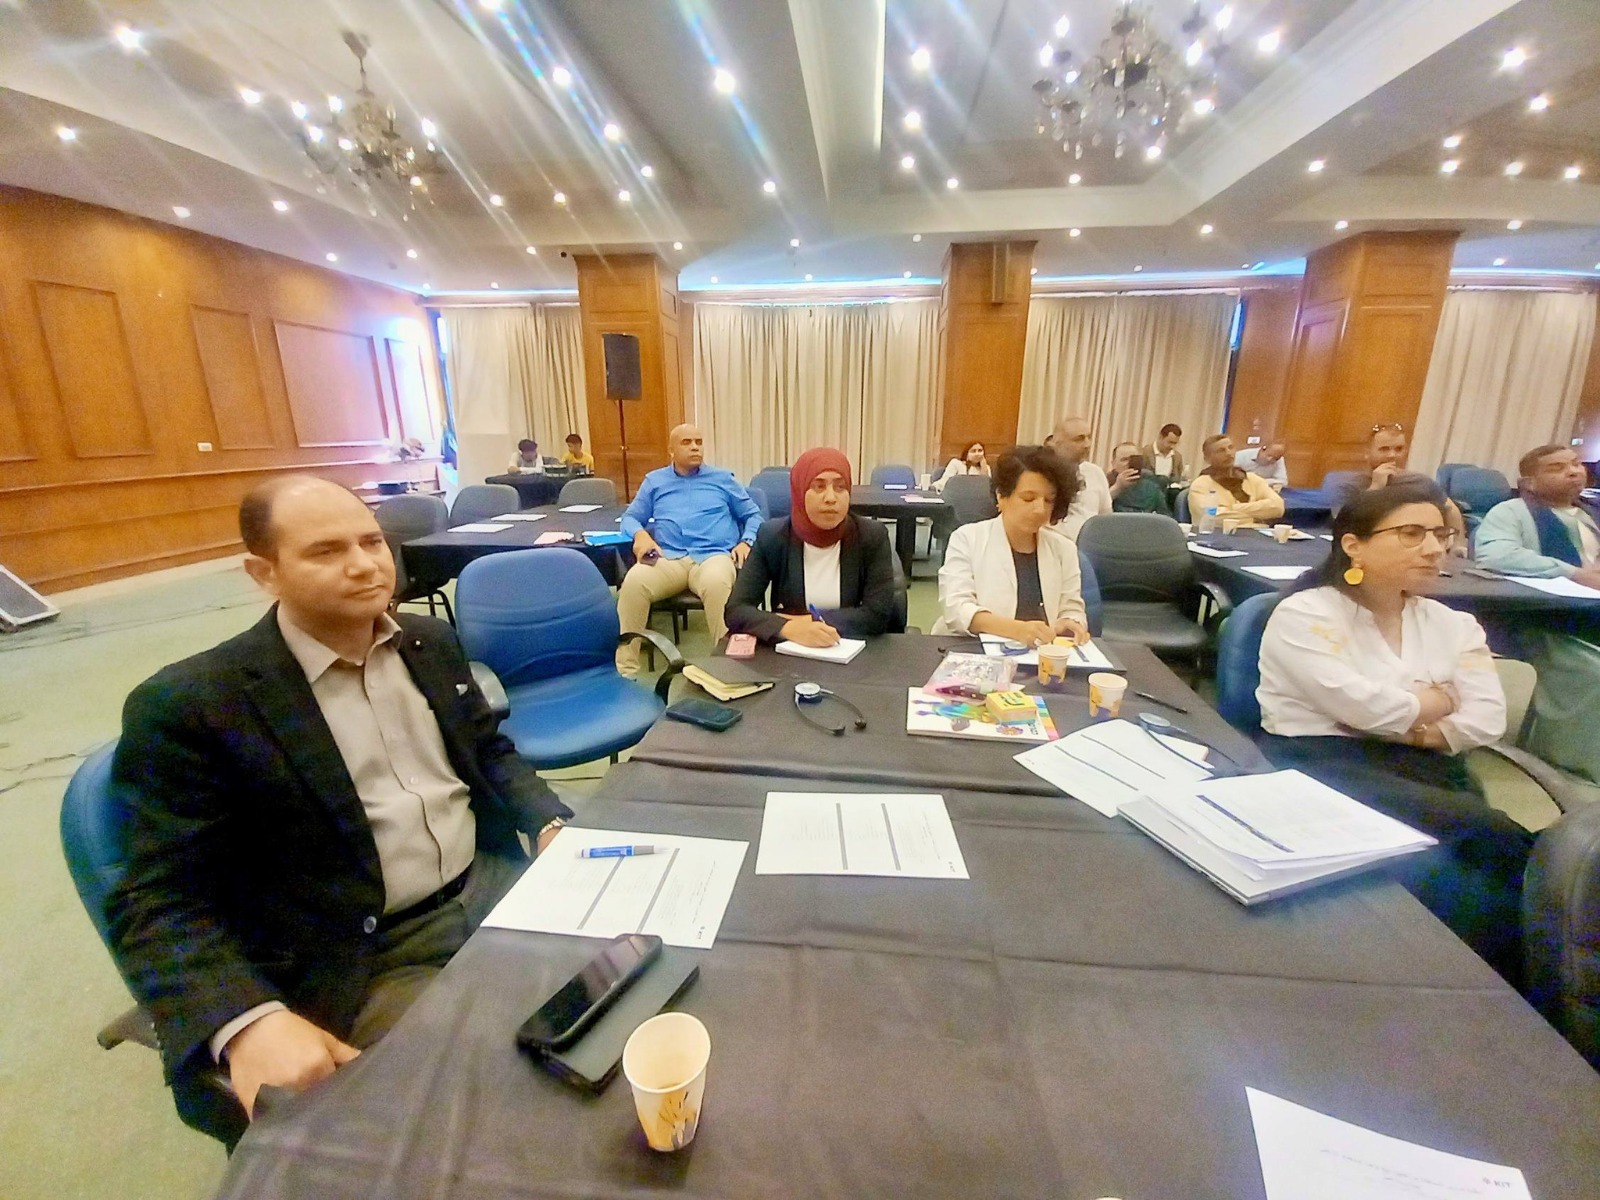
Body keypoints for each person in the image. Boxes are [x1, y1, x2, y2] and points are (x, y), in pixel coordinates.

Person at [105, 477, 571, 1146]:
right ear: (263, 573)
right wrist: (248, 1021)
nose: (363, 565)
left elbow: (488, 751)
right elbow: (156, 901)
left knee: (632, 987)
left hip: (493, 884)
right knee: (490, 1114)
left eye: (371, 542)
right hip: (368, 951)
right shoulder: (192, 706)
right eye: (326, 551)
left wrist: (550, 823)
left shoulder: (429, 641)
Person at [1256, 478, 1533, 985]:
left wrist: (1411, 730)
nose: (1433, 548)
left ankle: (1526, 977)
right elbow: (1362, 707)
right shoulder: (1307, 612)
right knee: (1492, 841)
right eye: (1411, 533)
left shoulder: (1452, 624)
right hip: (1318, 763)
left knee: (1494, 853)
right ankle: (1511, 982)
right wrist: (1437, 701)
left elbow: (1488, 718)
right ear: (1354, 545)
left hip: (1424, 762)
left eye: (1441, 534)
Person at [616, 424, 762, 676]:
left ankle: (729, 669)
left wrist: (746, 541)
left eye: (698, 441)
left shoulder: (722, 479)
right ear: (671, 450)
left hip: (713, 555)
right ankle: (626, 671)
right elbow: (630, 518)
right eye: (686, 442)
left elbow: (753, 515)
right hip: (669, 558)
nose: (695, 447)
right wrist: (640, 535)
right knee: (633, 582)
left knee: (717, 584)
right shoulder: (655, 481)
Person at [725, 447, 898, 646]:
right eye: (819, 487)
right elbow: (736, 610)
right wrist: (788, 628)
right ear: (799, 491)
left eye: (840, 487)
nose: (831, 498)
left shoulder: (871, 536)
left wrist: (806, 622)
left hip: (852, 647)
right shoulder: (772, 536)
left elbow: (876, 615)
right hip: (793, 650)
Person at [933, 444, 1090, 646]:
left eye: (1049, 500)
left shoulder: (1063, 548)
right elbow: (957, 609)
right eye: (1028, 498)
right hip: (972, 648)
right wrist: (1017, 630)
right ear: (1001, 496)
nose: (1040, 509)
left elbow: (1072, 607)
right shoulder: (967, 539)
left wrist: (1070, 622)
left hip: (1039, 653)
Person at [1474, 444, 1600, 585]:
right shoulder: (1511, 511)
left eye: (1576, 464)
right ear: (1529, 483)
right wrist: (1574, 574)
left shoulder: (1593, 510)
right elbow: (1496, 557)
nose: (1573, 472)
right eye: (1556, 469)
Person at [1335, 424, 1468, 550]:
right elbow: (1344, 523)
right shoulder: (1349, 485)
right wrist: (1376, 488)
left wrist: (1459, 545)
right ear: (1367, 453)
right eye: (1384, 449)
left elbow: (1451, 509)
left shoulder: (1420, 482)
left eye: (1399, 449)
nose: (1392, 455)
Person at [1052, 415, 1134, 539]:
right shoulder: (1043, 473)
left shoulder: (1095, 472)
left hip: (1093, 544)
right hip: (1055, 543)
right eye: (1079, 439)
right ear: (1058, 444)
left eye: (1089, 437)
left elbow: (1106, 518)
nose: (1087, 444)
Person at [1187, 434, 1286, 526]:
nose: (1228, 453)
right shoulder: (1201, 484)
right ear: (1207, 458)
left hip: (1255, 535)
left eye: (1231, 447)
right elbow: (1212, 517)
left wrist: (1233, 508)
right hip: (1217, 535)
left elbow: (1278, 507)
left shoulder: (1252, 479)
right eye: (1221, 450)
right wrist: (1255, 517)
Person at [1108, 442, 1171, 515]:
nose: (1129, 463)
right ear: (1114, 464)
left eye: (1133, 459)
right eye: (1124, 459)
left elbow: (1165, 516)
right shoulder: (1105, 482)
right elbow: (1099, 508)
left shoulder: (1151, 484)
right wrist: (1117, 487)